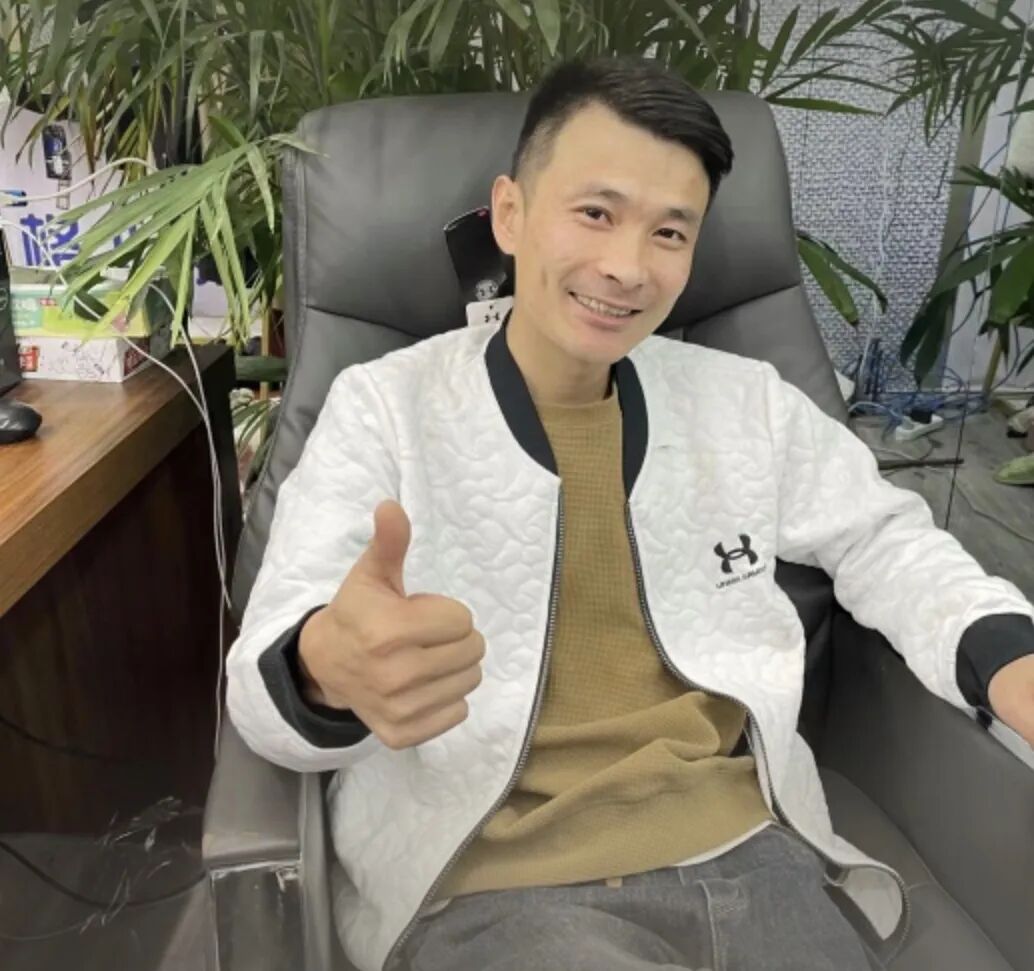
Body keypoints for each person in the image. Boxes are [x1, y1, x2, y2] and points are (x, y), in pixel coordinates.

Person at [226, 56, 1034, 971]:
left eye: (670, 232)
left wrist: (1008, 659)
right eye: (595, 213)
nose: (626, 267)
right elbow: (263, 677)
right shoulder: (386, 407)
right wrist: (322, 668)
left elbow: (884, 538)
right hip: (498, 889)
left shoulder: (745, 404)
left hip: (751, 854)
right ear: (510, 215)